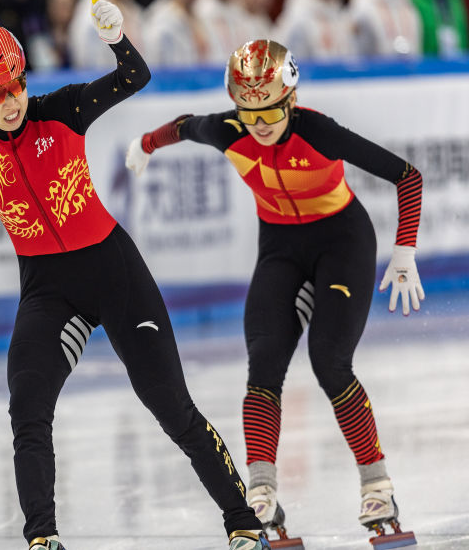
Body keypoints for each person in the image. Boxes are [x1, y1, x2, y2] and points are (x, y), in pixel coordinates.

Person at [0, 0, 269, 550]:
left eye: (16, 85)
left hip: (115, 273)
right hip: (48, 289)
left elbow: (134, 77)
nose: (12, 101)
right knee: (27, 409)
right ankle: (41, 540)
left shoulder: (62, 110)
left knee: (171, 407)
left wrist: (117, 38)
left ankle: (242, 523)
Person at [126, 39, 423, 546]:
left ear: (290, 100)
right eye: (249, 113)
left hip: (341, 241)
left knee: (330, 362)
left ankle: (378, 485)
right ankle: (261, 492)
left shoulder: (319, 130)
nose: (260, 125)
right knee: (263, 364)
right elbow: (183, 125)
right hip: (280, 249)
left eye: (270, 111)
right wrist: (146, 144)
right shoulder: (226, 129)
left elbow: (406, 176)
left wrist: (404, 252)